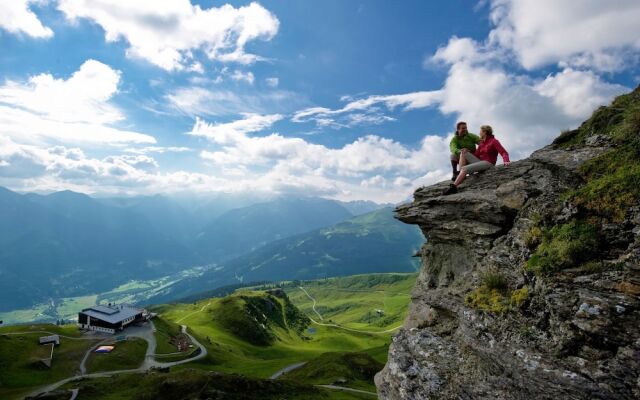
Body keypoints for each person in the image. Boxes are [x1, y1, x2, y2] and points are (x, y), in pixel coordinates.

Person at [443, 125, 510, 195]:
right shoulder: (481, 143)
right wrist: (467, 151)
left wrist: (506, 160)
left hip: (489, 163)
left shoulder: (494, 141)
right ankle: (461, 174)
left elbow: (503, 152)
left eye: (480, 132)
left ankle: (454, 187)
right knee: (463, 153)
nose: (479, 133)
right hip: (480, 162)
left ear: (485, 132)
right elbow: (476, 155)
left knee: (464, 169)